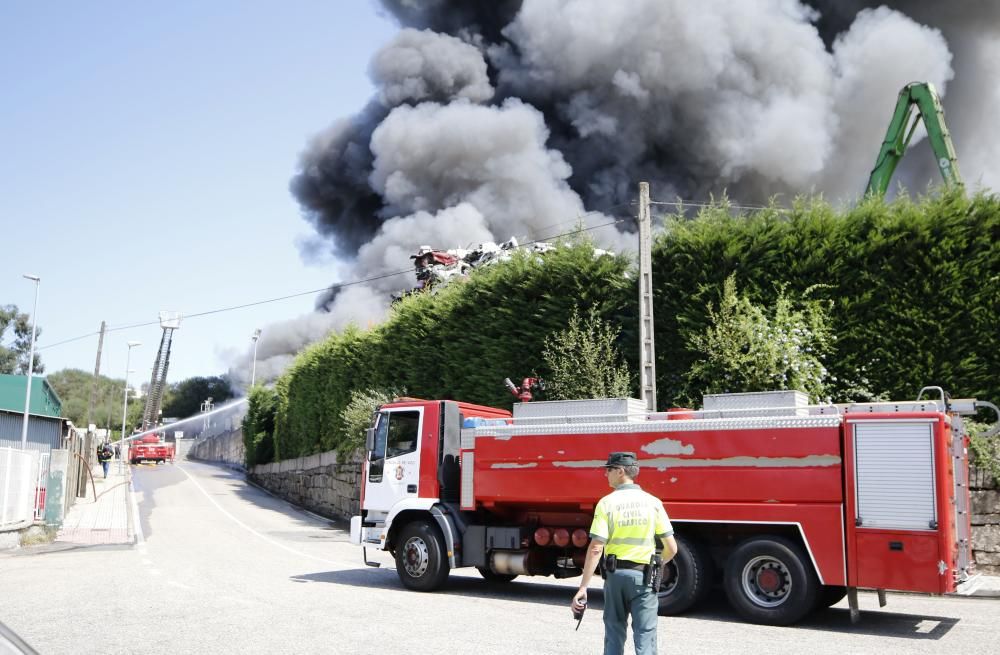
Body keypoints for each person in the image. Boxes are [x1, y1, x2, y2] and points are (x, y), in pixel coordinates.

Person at [572, 452, 678, 655]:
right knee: (645, 634)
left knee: (614, 631)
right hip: (644, 577)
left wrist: (583, 587)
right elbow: (672, 548)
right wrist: (655, 567)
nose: (606, 475)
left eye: (609, 470)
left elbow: (596, 547)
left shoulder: (606, 503)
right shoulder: (653, 502)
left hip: (616, 576)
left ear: (621, 471)